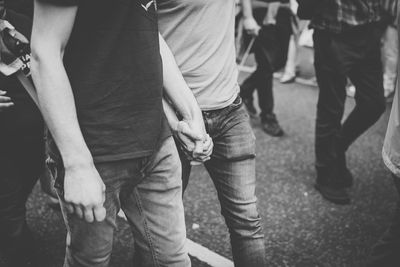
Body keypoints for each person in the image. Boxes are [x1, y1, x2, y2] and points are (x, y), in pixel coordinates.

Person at [31, 0, 211, 266]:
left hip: (155, 141)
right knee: (90, 261)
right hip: (96, 149)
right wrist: (77, 165)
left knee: (173, 260)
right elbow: (44, 53)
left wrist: (190, 114)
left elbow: (148, 31)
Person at [158, 0, 267, 266]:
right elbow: (135, 38)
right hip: (170, 113)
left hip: (229, 110)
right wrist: (170, 118)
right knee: (160, 230)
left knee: (247, 221)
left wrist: (249, 15)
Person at [308, 0, 386, 204]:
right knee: (331, 107)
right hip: (333, 32)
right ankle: (325, 173)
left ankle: (335, 148)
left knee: (374, 103)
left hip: (369, 30)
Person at [0, 1, 45, 266]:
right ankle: (17, 251)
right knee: (8, 201)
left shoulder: (25, 21)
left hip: (33, 134)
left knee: (20, 190)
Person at [240, 0, 292, 137]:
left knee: (280, 62)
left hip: (283, 11)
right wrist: (247, 16)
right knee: (266, 65)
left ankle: (245, 90)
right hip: (261, 11)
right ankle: (268, 116)